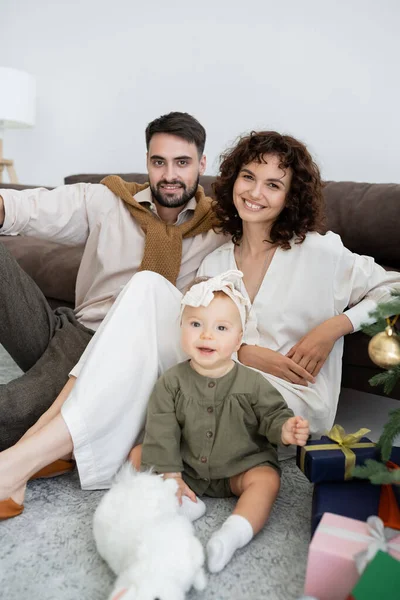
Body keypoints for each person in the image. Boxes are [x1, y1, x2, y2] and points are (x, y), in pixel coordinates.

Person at [1, 130, 399, 521]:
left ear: (289, 196)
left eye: (273, 184)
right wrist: (245, 352)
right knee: (146, 286)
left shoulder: (320, 250)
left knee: (150, 381)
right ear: (232, 180)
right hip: (218, 372)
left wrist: (332, 329)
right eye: (248, 177)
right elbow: (199, 335)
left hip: (284, 400)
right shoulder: (217, 260)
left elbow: (393, 287)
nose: (255, 193)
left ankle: (23, 457)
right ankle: (29, 456)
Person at [0, 111, 223, 450]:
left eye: (182, 162)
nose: (170, 175)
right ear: (147, 161)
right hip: (73, 333)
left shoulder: (219, 230)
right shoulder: (111, 200)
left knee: (15, 407)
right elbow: (36, 206)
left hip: (124, 359)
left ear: (202, 163)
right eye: (159, 162)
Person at [130, 271, 310, 573]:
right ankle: (182, 498)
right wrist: (172, 474)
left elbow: (272, 414)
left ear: (239, 339)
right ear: (182, 328)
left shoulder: (252, 383)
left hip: (239, 467)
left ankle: (233, 533)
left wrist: (285, 429)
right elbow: (162, 430)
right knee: (137, 455)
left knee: (267, 480)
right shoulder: (171, 382)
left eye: (221, 327)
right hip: (186, 468)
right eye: (196, 324)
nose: (207, 335)